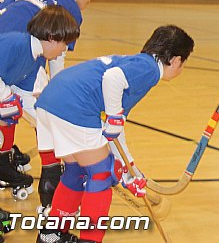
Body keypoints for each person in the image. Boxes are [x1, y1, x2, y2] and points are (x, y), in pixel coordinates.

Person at [35, 25, 194, 243]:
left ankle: (51, 235)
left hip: (52, 101)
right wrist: (113, 117)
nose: (181, 69)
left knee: (77, 172)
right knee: (100, 174)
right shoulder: (148, 68)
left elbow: (116, 132)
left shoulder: (137, 66)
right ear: (176, 60)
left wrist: (130, 169)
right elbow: (113, 78)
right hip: (74, 106)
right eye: (183, 64)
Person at [0, 0, 97, 212]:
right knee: (42, 113)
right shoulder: (69, 8)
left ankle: (48, 179)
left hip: (23, 60)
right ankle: (54, 180)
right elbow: (59, 55)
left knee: (41, 112)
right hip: (14, 53)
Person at [0, 6, 79, 200]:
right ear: (51, 38)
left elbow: (24, 97)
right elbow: (9, 95)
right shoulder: (16, 43)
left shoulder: (36, 59)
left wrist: (46, 123)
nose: (64, 50)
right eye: (64, 44)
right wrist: (5, 96)